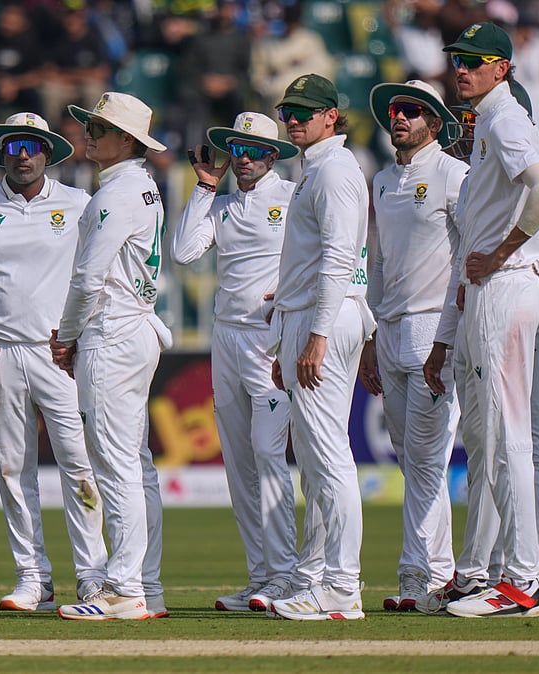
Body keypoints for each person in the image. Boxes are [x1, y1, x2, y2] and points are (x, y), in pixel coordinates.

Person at [0, 111, 108, 611]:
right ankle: (32, 577)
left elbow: (102, 272)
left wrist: (87, 337)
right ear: (2, 151)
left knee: (80, 464)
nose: (23, 155)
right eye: (14, 145)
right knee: (13, 470)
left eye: (32, 146)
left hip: (58, 352)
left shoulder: (79, 203)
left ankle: (93, 575)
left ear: (48, 152)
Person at [431, 22, 539, 618]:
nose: (461, 68)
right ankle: (487, 573)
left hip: (507, 283)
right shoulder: (487, 121)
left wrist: (505, 249)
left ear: (502, 68)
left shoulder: (505, 118)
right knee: (489, 437)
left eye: (474, 61)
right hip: (489, 287)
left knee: (509, 435)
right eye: (457, 59)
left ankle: (524, 581)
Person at [171, 111, 303, 613]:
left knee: (269, 455)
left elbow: (328, 250)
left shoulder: (292, 197)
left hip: (269, 339)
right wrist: (205, 187)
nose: (243, 159)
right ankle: (261, 575)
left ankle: (288, 575)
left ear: (272, 155)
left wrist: (293, 295)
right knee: (239, 463)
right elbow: (184, 253)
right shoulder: (220, 204)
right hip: (226, 337)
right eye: (236, 150)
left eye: (252, 150)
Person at [51, 92, 171, 621]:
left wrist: (67, 336)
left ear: (127, 141)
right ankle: (144, 582)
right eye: (90, 126)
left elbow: (86, 278)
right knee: (134, 464)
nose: (89, 135)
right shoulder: (141, 188)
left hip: (111, 333)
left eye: (100, 128)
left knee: (116, 464)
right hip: (135, 329)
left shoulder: (113, 197)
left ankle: (125, 588)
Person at [265, 73, 374, 622]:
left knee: (328, 456)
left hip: (324, 318)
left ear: (332, 116)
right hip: (309, 313)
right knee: (316, 457)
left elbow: (338, 259)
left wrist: (317, 332)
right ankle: (319, 578)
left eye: (306, 112)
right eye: (289, 111)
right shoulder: (317, 169)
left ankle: (341, 588)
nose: (294, 119)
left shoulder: (333, 171)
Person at [361, 79, 467, 611]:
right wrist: (369, 334)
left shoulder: (454, 174)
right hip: (392, 329)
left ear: (435, 120)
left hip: (433, 330)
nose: (399, 117)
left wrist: (446, 338)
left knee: (426, 459)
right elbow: (378, 265)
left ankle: (420, 575)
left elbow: (468, 261)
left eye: (412, 110)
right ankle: (437, 571)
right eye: (395, 110)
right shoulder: (381, 180)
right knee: (412, 461)